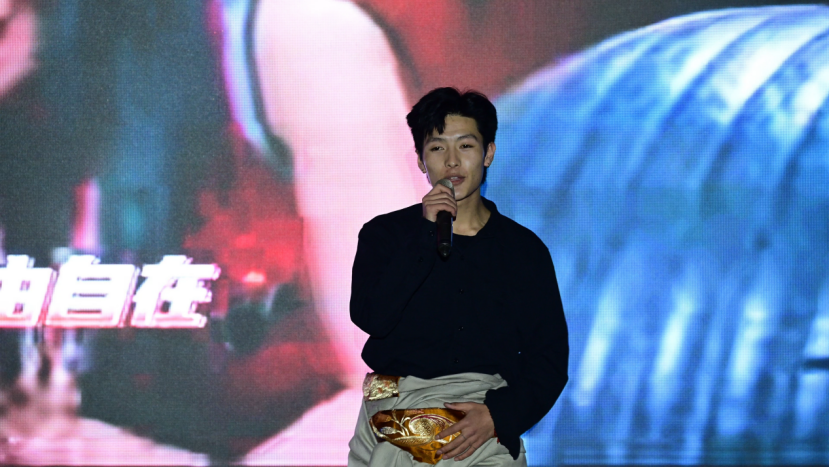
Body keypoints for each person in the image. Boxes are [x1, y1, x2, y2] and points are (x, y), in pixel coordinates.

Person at [348, 87, 569, 466]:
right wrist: (424, 236)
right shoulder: (385, 235)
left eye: (465, 146)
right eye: (437, 148)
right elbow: (373, 318)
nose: (452, 161)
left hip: (478, 413)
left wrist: (499, 415)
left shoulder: (522, 250)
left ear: (488, 153)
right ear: (421, 160)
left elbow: (549, 358)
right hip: (389, 407)